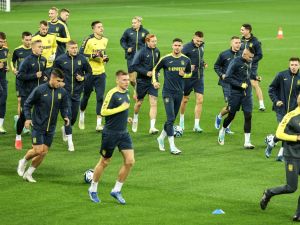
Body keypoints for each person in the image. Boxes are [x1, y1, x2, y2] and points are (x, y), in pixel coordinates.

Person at [88, 70, 134, 204]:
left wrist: (126, 118)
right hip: (110, 133)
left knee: (130, 161)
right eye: (124, 80)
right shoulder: (112, 93)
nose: (127, 82)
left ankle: (116, 190)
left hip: (123, 133)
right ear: (117, 81)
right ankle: (92, 189)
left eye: (128, 80)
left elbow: (122, 110)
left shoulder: (126, 93)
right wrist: (121, 109)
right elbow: (103, 111)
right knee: (105, 162)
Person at [17, 68, 69, 183]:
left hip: (51, 128)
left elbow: (64, 106)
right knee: (38, 150)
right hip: (38, 125)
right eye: (59, 81)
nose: (60, 83)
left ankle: (29, 173)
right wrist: (28, 118)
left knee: (44, 152)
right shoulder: (40, 90)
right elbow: (27, 104)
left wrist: (65, 116)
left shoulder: (62, 92)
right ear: (53, 78)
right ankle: (23, 161)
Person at [260, 94, 300, 222]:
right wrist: (296, 138)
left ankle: (298, 214)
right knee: (291, 187)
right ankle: (269, 193)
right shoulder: (290, 116)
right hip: (292, 155)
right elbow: (278, 133)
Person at [153, 38, 192, 155]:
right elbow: (155, 69)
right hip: (167, 93)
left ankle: (160, 138)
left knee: (172, 119)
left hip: (179, 93)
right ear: (172, 46)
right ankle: (172, 146)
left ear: (182, 47)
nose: (177, 47)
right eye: (175, 45)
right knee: (170, 119)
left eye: (179, 45)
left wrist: (184, 74)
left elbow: (190, 73)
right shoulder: (165, 59)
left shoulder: (186, 60)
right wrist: (155, 81)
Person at [53, 40, 92, 151]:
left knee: (73, 117)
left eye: (76, 47)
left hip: (77, 93)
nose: (75, 50)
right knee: (67, 116)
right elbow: (53, 73)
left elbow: (89, 71)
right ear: (67, 48)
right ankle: (70, 142)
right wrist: (59, 82)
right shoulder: (60, 60)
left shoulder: (82, 59)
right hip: (64, 93)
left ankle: (65, 129)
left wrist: (83, 78)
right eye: (73, 48)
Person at [217, 48, 256, 149]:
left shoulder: (248, 61)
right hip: (235, 93)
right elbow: (228, 78)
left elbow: (248, 73)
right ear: (245, 54)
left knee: (248, 115)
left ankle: (247, 142)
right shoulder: (235, 62)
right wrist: (240, 85)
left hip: (247, 94)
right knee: (231, 115)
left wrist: (255, 77)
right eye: (250, 57)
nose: (252, 59)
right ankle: (223, 129)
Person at [265, 57, 300, 161]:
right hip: (281, 109)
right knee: (285, 130)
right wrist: (276, 101)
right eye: (292, 65)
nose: (294, 67)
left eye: (296, 65)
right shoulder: (281, 75)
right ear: (289, 65)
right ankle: (280, 154)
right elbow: (271, 89)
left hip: (294, 111)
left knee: (288, 131)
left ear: (299, 66)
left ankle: (272, 143)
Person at [15, 40, 47, 150]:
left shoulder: (43, 60)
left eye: (42, 47)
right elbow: (20, 76)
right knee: (24, 116)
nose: (42, 48)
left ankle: (37, 140)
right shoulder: (27, 61)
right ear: (33, 48)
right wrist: (34, 75)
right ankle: (18, 136)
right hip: (27, 93)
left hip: (40, 94)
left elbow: (42, 74)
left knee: (39, 115)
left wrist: (45, 78)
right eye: (39, 47)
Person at [78, 20, 109, 132]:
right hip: (89, 73)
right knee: (86, 96)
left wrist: (105, 58)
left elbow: (102, 54)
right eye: (99, 27)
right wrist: (92, 55)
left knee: (100, 97)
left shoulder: (105, 40)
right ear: (94, 29)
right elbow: (80, 54)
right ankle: (82, 114)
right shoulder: (88, 39)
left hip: (101, 73)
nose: (102, 28)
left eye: (102, 26)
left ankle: (98, 124)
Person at [131, 34, 160, 134]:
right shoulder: (141, 52)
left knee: (153, 102)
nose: (154, 43)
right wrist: (145, 72)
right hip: (142, 81)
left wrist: (157, 72)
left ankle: (152, 127)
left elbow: (157, 65)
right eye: (152, 41)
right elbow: (134, 66)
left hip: (153, 81)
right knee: (139, 103)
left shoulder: (157, 51)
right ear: (147, 42)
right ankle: (135, 117)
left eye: (155, 41)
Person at [179, 31, 207, 132]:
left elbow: (200, 57)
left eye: (201, 41)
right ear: (193, 38)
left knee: (200, 100)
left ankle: (196, 125)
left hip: (199, 77)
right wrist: (187, 67)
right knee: (185, 99)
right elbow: (179, 59)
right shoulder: (186, 47)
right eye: (197, 40)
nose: (199, 43)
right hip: (188, 77)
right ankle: (181, 121)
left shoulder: (202, 46)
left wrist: (203, 63)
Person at [214, 36, 242, 134]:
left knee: (235, 107)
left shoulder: (242, 55)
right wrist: (221, 75)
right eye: (236, 43)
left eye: (239, 43)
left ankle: (227, 127)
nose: (238, 44)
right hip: (226, 83)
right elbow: (216, 66)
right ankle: (220, 116)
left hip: (238, 84)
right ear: (231, 43)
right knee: (230, 106)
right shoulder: (224, 54)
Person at [120, 16, 149, 98]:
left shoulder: (145, 32)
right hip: (131, 57)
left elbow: (148, 44)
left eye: (135, 23)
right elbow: (122, 41)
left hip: (141, 58)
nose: (133, 24)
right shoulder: (128, 31)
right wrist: (126, 48)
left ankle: (138, 91)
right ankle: (136, 88)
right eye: (132, 23)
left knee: (140, 76)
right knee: (132, 79)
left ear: (139, 23)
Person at [11, 31, 32, 133]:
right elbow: (12, 60)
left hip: (31, 80)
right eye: (26, 40)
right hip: (20, 79)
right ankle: (21, 123)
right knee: (20, 100)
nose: (28, 42)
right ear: (22, 39)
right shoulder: (17, 50)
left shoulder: (33, 50)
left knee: (30, 101)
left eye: (30, 40)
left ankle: (26, 120)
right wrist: (14, 69)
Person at [240, 23, 265, 111]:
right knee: (241, 84)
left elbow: (260, 55)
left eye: (242, 30)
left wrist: (251, 60)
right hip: (241, 65)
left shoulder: (255, 41)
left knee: (254, 84)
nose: (241, 31)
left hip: (252, 66)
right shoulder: (241, 41)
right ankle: (243, 103)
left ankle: (261, 105)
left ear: (248, 31)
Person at [0, 32, 9, 134]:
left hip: (3, 79)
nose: (1, 43)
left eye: (3, 41)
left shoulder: (6, 50)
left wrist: (6, 68)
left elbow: (5, 63)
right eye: (0, 41)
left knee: (4, 99)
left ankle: (0, 125)